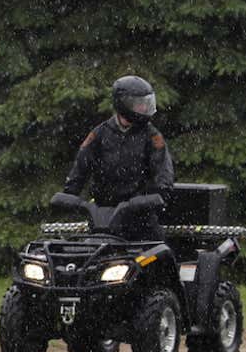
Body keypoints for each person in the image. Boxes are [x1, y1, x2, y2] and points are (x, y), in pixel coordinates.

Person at [62, 75, 175, 238]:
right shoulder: (100, 133)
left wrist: (158, 195)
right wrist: (70, 195)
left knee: (157, 251)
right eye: (139, 104)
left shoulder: (152, 136)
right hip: (103, 212)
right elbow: (81, 164)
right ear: (123, 104)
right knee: (90, 252)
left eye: (146, 103)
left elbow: (163, 169)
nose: (144, 108)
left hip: (139, 212)